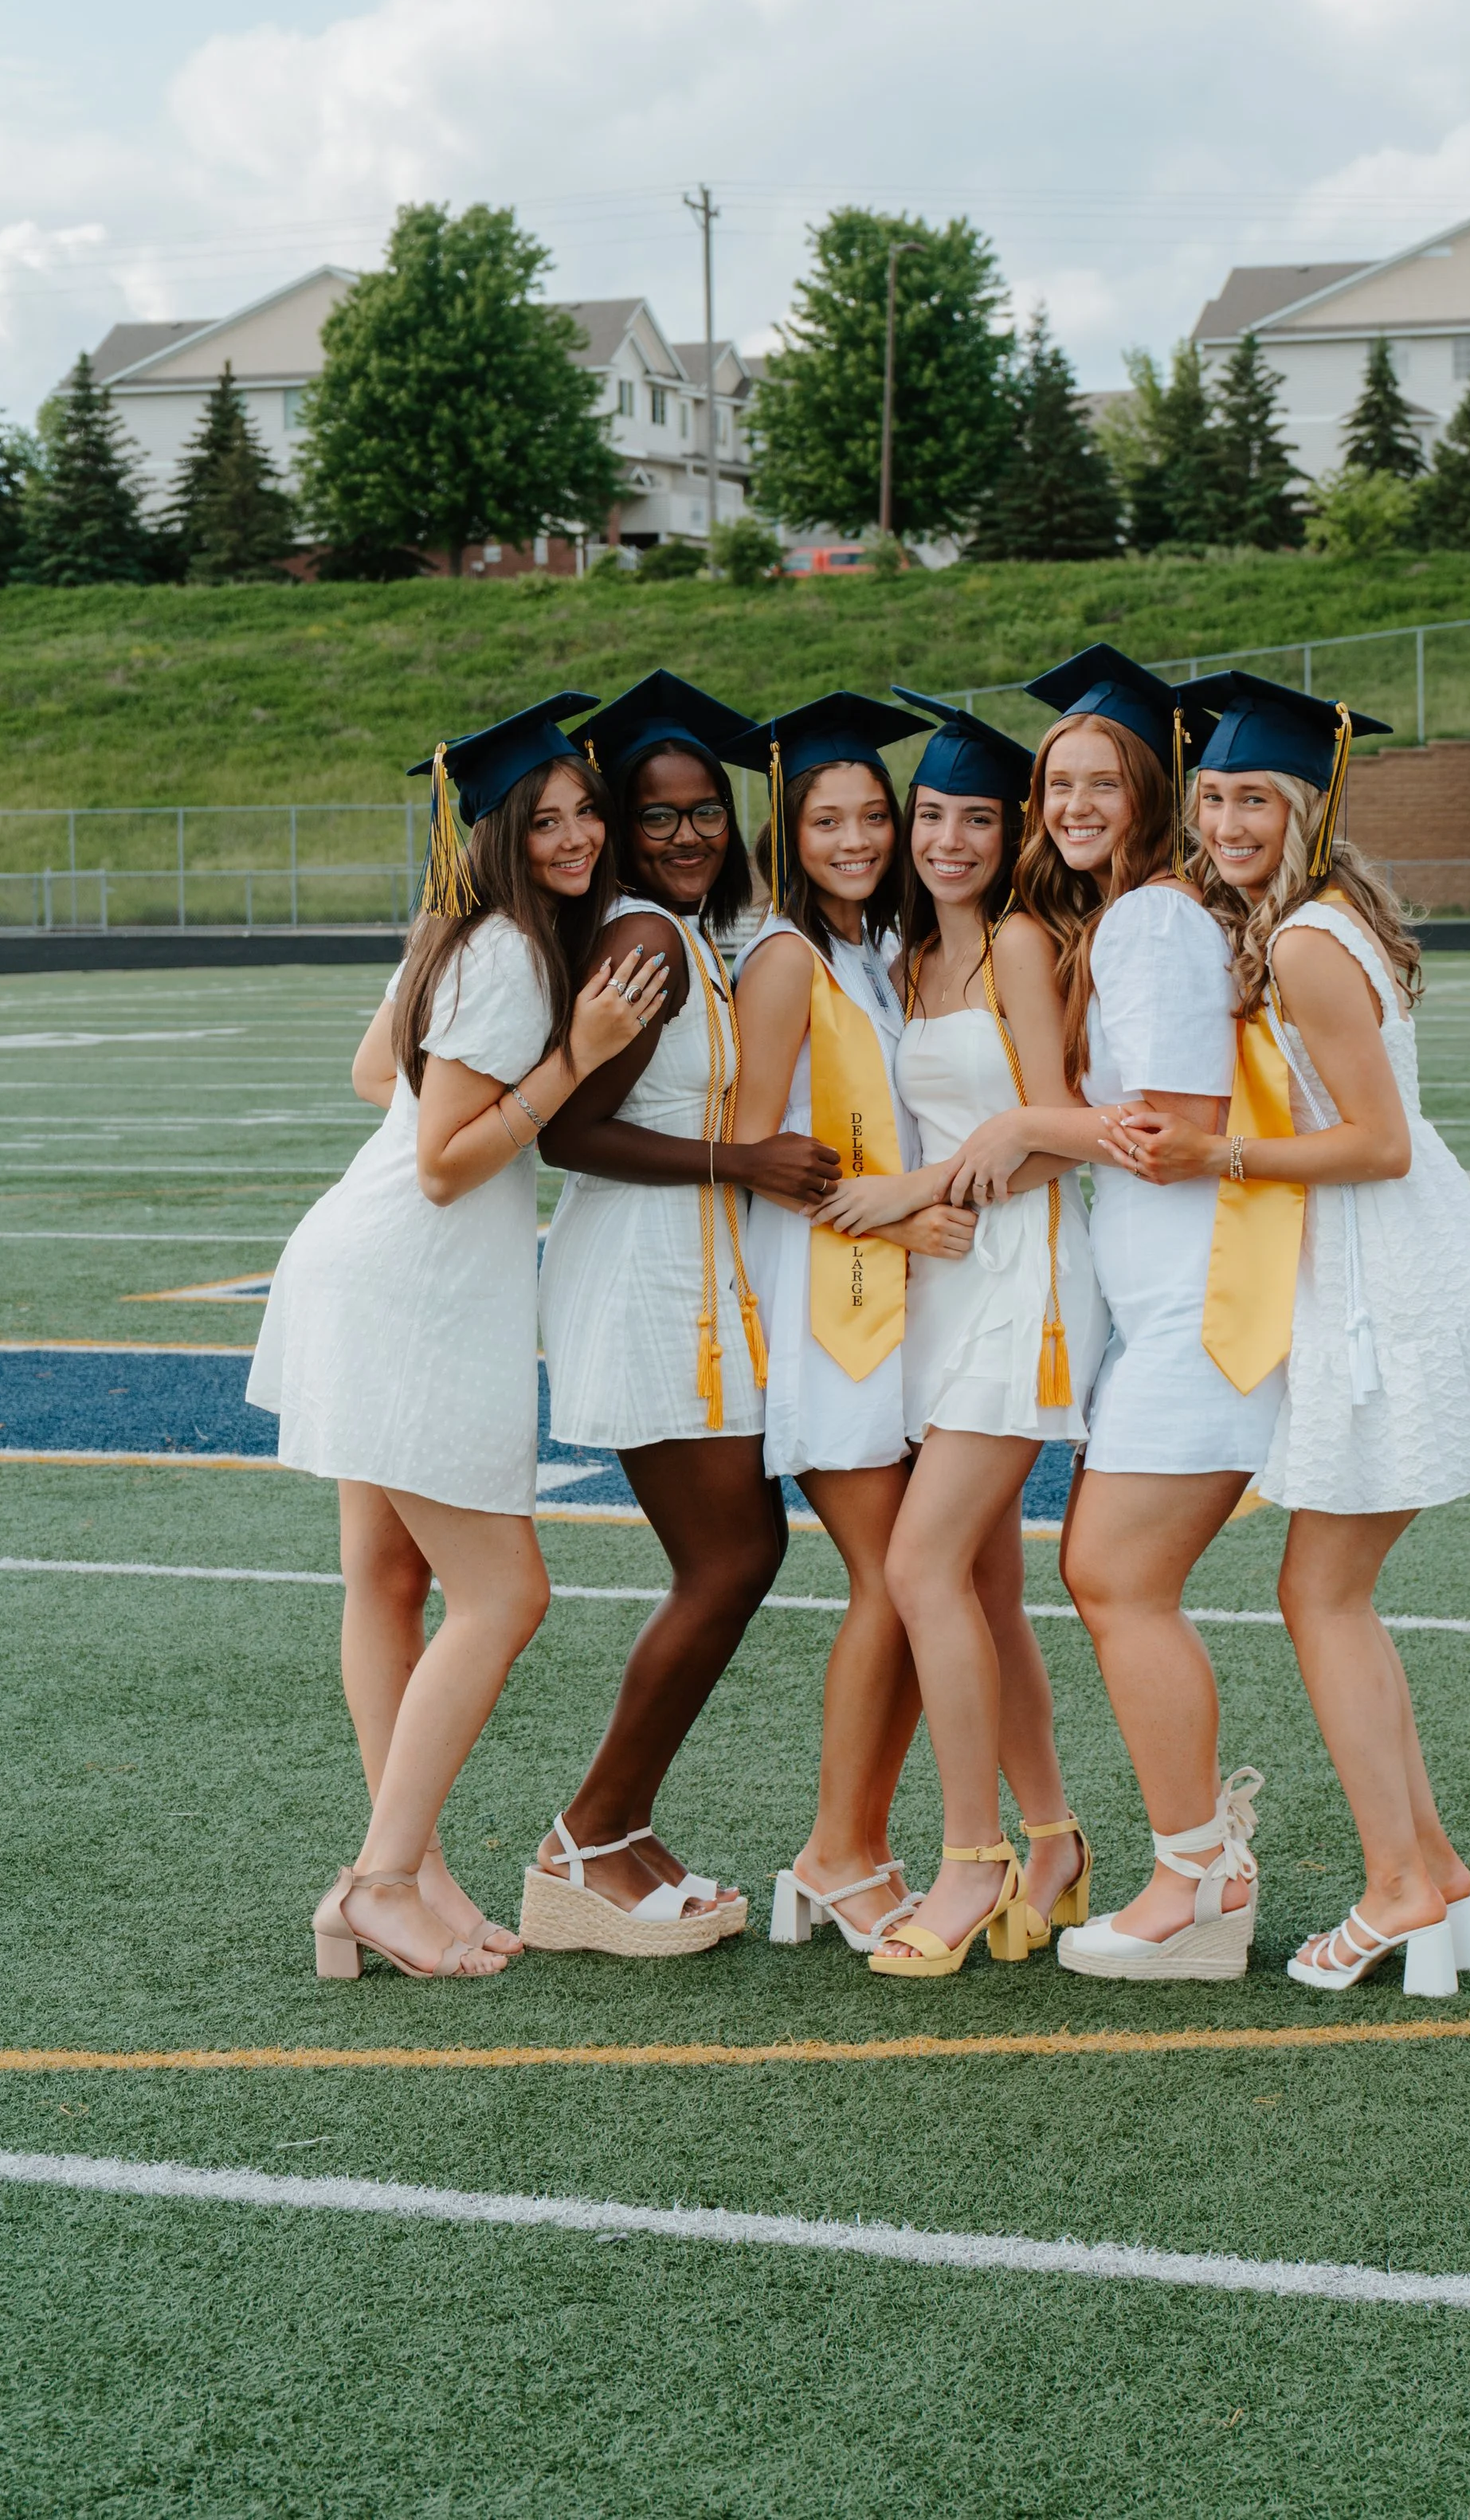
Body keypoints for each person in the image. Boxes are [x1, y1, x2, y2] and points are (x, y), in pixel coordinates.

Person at [1110, 672, 1470, 1996]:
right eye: (1211, 796)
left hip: (1389, 1284)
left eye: (1253, 796)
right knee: (1327, 1591)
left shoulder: (1313, 939)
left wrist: (1221, 1152)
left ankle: (1396, 1887)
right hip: (1382, 1277)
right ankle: (1431, 1873)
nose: (1225, 821)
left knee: (1321, 1594)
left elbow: (1379, 1143)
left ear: (1307, 806)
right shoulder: (1317, 918)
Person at [248, 696, 666, 1982]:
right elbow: (441, 1162)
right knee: (506, 1592)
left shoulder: (459, 932)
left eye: (585, 810)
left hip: (364, 1263)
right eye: (543, 820)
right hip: (412, 1282)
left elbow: (377, 1073)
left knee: (385, 1580)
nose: (578, 835)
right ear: (494, 833)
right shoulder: (508, 956)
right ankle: (381, 1878)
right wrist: (573, 1057)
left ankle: (404, 1875)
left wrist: (504, 1074)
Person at [942, 645, 1294, 1981]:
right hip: (1169, 1305)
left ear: (1151, 790)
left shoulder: (1152, 920)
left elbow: (1174, 1133)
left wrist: (1025, 1118)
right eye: (1057, 782)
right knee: (1113, 1575)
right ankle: (1201, 1866)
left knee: (1115, 1577)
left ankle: (1199, 1879)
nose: (1073, 802)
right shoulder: (1138, 915)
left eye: (1102, 780)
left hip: (1200, 1306)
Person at [524, 672, 825, 1958]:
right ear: (623, 832)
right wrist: (740, 1166)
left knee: (739, 1552)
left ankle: (619, 1828)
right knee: (733, 1558)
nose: (689, 835)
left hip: (690, 1271)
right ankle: (587, 1836)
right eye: (657, 818)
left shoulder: (692, 930)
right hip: (648, 1274)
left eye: (707, 812)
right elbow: (571, 1132)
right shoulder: (643, 939)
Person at [808, 691, 1107, 1979]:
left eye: (974, 819)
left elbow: (1052, 1136)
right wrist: (904, 1208)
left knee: (923, 1571)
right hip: (941, 1294)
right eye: (929, 815)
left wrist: (912, 1194)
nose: (945, 840)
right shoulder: (897, 960)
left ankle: (969, 1858)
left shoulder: (1024, 949)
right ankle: (1055, 1842)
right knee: (984, 1586)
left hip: (1023, 1288)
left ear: (1013, 830)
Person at [726, 693, 977, 1954]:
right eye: (828, 818)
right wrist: (893, 1223)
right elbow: (760, 1156)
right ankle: (835, 1850)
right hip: (828, 1307)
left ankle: (851, 1845)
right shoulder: (783, 956)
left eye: (874, 814)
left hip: (889, 1306)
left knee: (907, 1584)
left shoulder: (869, 951)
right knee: (892, 1579)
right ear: (790, 828)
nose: (857, 836)